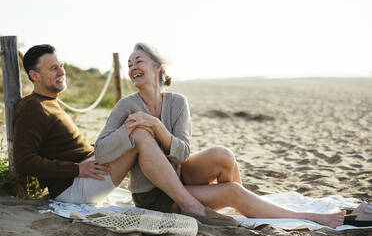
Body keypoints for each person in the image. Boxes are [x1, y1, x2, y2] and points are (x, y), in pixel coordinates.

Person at [94, 43, 346, 228]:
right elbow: (102, 151)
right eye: (129, 65)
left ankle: (242, 204)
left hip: (180, 177)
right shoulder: (126, 106)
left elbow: (182, 153)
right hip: (154, 194)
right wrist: (129, 129)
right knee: (233, 191)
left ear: (158, 67)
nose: (132, 68)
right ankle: (306, 217)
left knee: (224, 155)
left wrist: (157, 126)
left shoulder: (178, 102)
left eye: (138, 61)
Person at [13, 44, 237, 227]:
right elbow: (24, 162)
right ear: (35, 75)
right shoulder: (32, 108)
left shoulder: (50, 103)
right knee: (138, 131)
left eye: (61, 65)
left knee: (222, 157)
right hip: (73, 187)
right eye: (53, 68)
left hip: (87, 172)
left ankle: (231, 197)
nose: (62, 71)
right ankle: (191, 205)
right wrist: (76, 168)